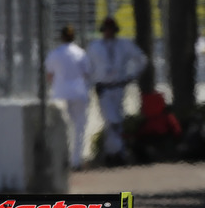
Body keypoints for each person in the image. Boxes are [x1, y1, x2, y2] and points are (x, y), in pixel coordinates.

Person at [87, 16, 148, 166]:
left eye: (111, 30)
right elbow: (87, 67)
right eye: (106, 30)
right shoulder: (94, 47)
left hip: (119, 86)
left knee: (117, 120)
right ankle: (117, 151)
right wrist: (91, 82)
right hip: (103, 87)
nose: (109, 32)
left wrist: (132, 75)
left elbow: (141, 59)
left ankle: (113, 153)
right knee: (111, 119)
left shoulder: (124, 45)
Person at [44, 25, 91, 171]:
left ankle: (61, 160)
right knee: (79, 128)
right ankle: (76, 161)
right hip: (78, 92)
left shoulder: (55, 53)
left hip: (60, 93)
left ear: (62, 37)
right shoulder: (80, 53)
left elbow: (49, 75)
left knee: (62, 128)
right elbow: (87, 73)